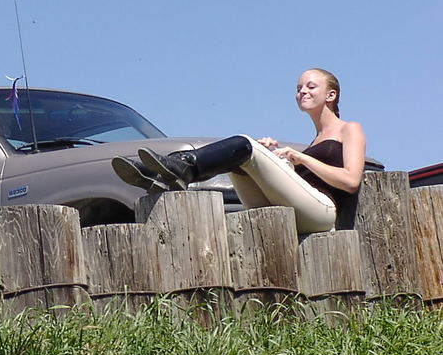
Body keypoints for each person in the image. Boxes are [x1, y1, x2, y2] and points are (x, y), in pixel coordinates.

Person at [112, 68, 366, 234]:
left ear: (331, 95)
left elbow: (351, 181)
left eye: (310, 87)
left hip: (322, 213)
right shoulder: (314, 142)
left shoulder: (349, 129)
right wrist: (274, 156)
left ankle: (181, 166)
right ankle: (164, 174)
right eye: (299, 88)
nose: (302, 92)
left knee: (244, 144)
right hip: (293, 212)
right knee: (238, 161)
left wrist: (301, 158)